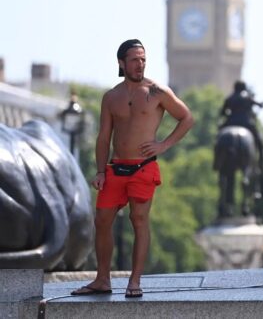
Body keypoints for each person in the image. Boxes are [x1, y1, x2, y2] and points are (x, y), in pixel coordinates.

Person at [72, 39, 194, 298]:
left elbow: (186, 117)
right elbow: (104, 137)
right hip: (116, 169)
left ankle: (134, 281)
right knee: (102, 220)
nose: (140, 64)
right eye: (135, 60)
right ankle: (102, 279)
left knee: (138, 220)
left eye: (143, 59)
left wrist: (164, 145)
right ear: (121, 63)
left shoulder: (157, 91)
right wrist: (100, 170)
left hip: (143, 168)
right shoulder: (111, 97)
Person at [220, 80, 263, 144]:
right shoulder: (248, 97)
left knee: (219, 135)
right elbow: (259, 104)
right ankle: (262, 152)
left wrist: (229, 115)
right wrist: (262, 104)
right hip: (246, 122)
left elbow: (222, 113)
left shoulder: (229, 98)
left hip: (230, 122)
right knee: (258, 138)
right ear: (244, 87)